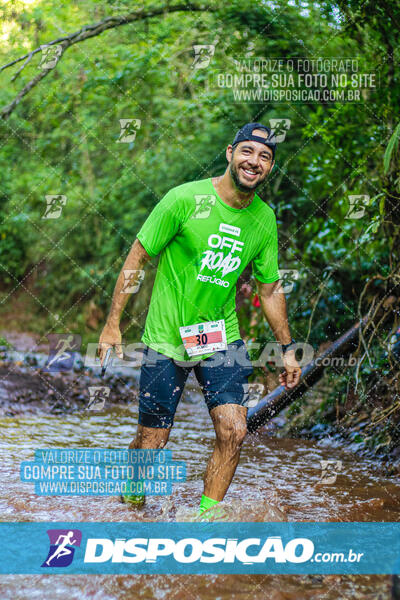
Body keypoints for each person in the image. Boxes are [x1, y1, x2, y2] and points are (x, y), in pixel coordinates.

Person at [98, 122, 302, 515]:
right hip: (166, 335)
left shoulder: (263, 220)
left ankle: (205, 520)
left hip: (218, 335)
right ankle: (132, 501)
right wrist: (113, 324)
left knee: (234, 429)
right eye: (247, 152)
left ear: (270, 167)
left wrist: (288, 347)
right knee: (153, 441)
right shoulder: (184, 200)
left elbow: (270, 288)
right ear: (230, 153)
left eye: (265, 157)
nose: (254, 162)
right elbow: (138, 256)